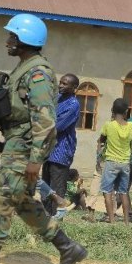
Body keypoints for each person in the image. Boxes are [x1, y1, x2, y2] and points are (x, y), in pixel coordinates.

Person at [0, 14, 87, 264]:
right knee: (22, 202)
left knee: (1, 196)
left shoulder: (37, 72)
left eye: (12, 37)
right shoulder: (24, 67)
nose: (7, 41)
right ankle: (68, 248)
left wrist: (35, 160)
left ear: (26, 40)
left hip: (25, 146)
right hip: (16, 142)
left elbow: (45, 118)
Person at [97, 98, 132, 224]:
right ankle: (127, 222)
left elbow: (101, 140)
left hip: (111, 162)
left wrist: (99, 157)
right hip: (125, 163)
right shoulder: (131, 126)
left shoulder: (108, 125)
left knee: (107, 191)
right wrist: (131, 151)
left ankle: (111, 220)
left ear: (112, 110)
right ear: (126, 111)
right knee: (123, 192)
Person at [42, 73, 79, 216]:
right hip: (48, 148)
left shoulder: (73, 104)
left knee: (57, 187)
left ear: (74, 87)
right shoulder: (57, 98)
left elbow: (59, 126)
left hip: (61, 151)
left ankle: (55, 218)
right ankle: (45, 217)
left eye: (65, 84)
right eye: (61, 83)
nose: (61, 86)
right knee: (45, 185)